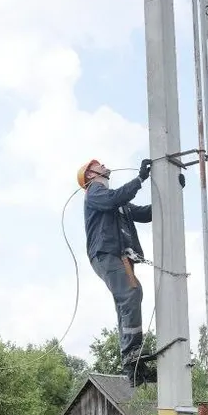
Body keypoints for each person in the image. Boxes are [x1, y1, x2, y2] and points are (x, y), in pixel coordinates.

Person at [77, 157, 156, 387]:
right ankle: (131, 355)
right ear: (90, 175)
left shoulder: (118, 204)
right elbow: (114, 198)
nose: (102, 165)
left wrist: (175, 192)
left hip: (118, 256)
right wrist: (140, 178)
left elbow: (145, 213)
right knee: (130, 294)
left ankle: (135, 365)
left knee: (133, 293)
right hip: (106, 253)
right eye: (97, 165)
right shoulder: (95, 192)